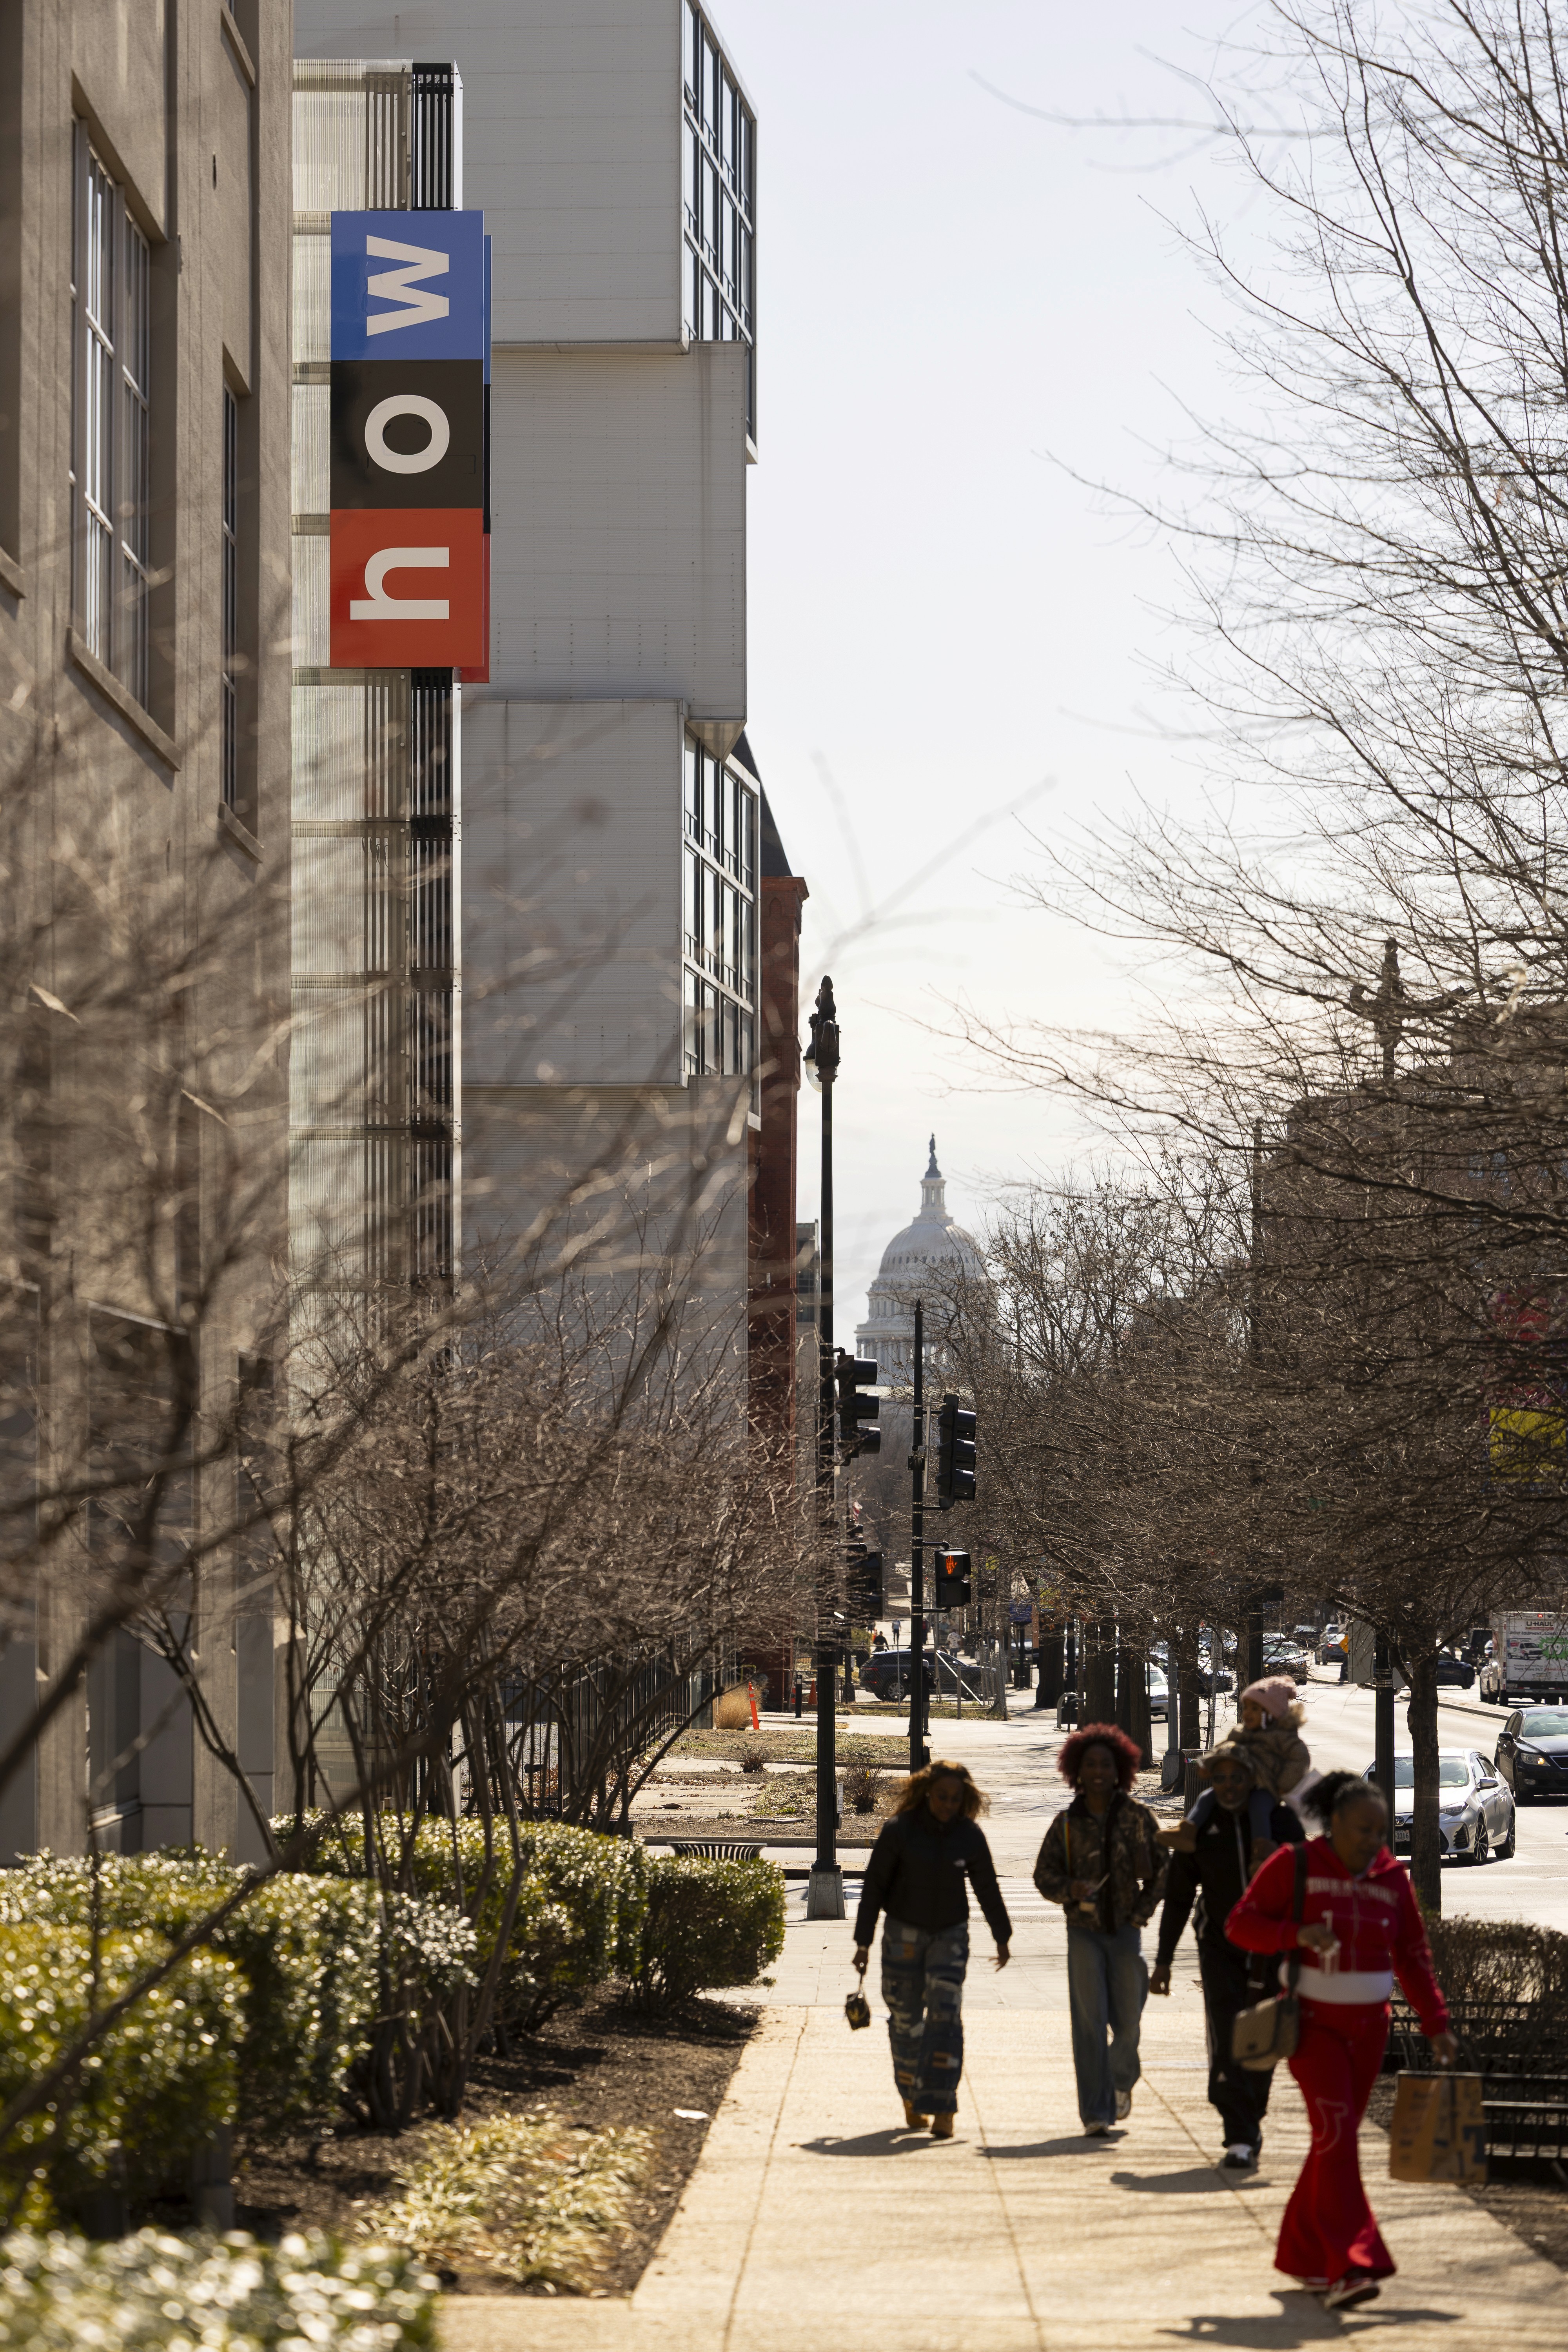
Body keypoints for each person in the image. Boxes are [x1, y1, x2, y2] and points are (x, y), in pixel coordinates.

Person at [1226, 1769, 1456, 2313]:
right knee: (1336, 2135)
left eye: (1380, 1831)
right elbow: (1240, 1924)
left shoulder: (1392, 1878)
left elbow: (1413, 1956)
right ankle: (1352, 2265)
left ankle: (1303, 2255)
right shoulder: (1296, 1864)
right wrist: (1295, 1934)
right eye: (1362, 1830)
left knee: (1334, 2141)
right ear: (1332, 1823)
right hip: (1312, 2027)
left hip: (1370, 2030)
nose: (1373, 1841)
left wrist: (1436, 2023)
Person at [1150, 1744, 1305, 2168]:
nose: (1229, 1787)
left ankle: (1251, 2118)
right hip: (1219, 1947)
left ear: (1252, 1779)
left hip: (1271, 1948)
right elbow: (1179, 1896)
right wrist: (1163, 1961)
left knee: (1262, 2035)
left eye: (1238, 1778)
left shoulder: (1278, 1821)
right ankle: (1239, 2133)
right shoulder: (1201, 1827)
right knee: (1225, 2034)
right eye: (1220, 1779)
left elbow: (1305, 1879)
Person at [852, 1759, 1011, 2138]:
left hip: (949, 1935)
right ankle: (911, 2094)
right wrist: (863, 1943)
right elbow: (875, 1886)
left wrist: (1002, 1937)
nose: (948, 1805)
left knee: (945, 2018)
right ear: (926, 1793)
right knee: (905, 2021)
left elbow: (987, 1886)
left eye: (956, 1799)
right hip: (903, 1934)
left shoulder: (969, 1835)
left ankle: (942, 2106)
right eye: (942, 1796)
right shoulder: (899, 1830)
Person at [1034, 1722, 1167, 2134]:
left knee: (1128, 2023)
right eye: (1090, 1764)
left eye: (1105, 1765)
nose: (1097, 1772)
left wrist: (1141, 1913)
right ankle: (1096, 2112)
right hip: (1083, 1933)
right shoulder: (1066, 1823)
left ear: (1119, 1770)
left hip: (1127, 1932)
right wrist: (1069, 1890)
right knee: (1088, 2024)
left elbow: (1164, 1871)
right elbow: (1044, 1875)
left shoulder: (1137, 1817)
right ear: (1076, 1769)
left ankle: (1121, 2079)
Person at [1158, 1676, 1312, 1857]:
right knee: (1207, 1797)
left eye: (1255, 1709)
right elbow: (1222, 1749)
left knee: (1259, 1807)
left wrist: (1283, 1784)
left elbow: (1300, 1759)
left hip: (1266, 1787)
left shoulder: (1283, 1737)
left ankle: (1261, 1849)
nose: (1248, 1713)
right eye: (1246, 1708)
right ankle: (1187, 1832)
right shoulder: (1242, 1733)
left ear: (1272, 1713)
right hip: (1239, 1783)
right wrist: (1206, 1764)